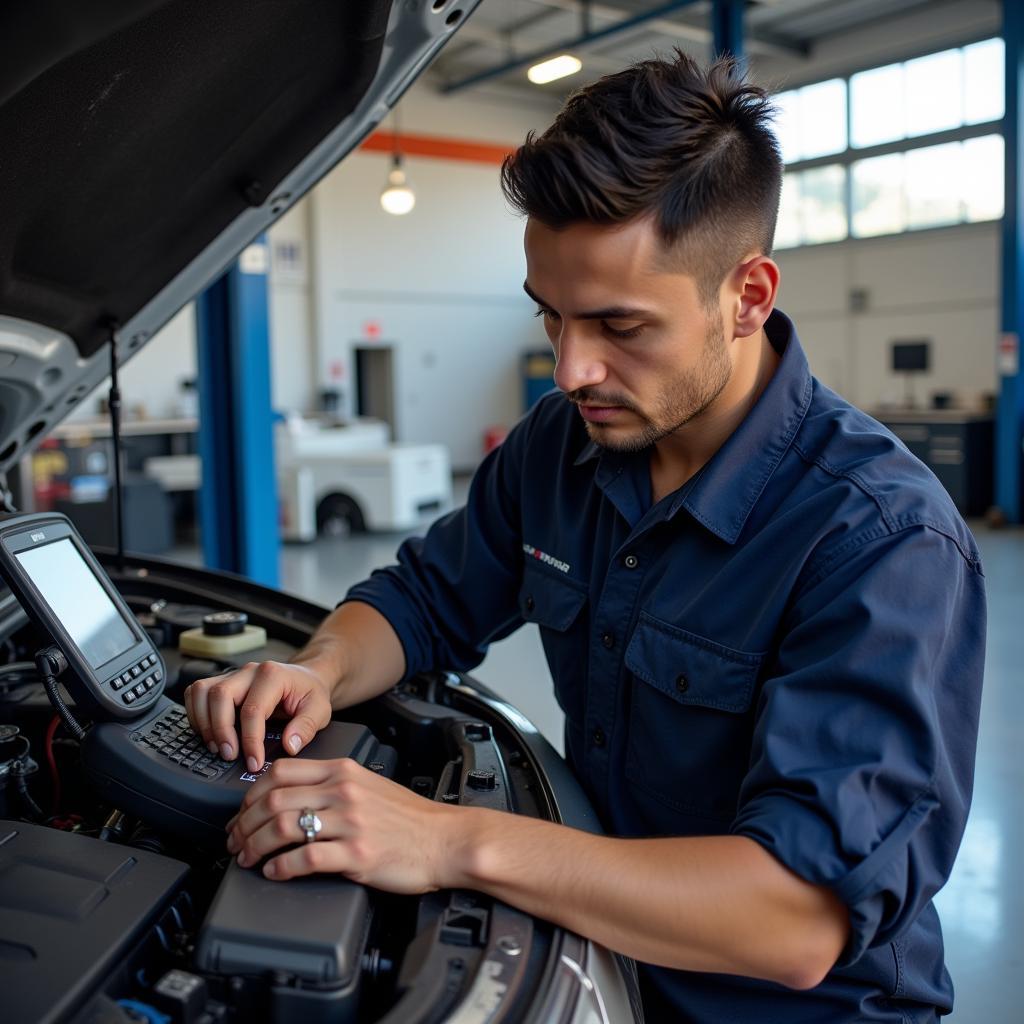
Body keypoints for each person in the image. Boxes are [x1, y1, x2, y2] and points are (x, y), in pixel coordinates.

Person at [185, 53, 985, 1022]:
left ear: (747, 296)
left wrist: (447, 839)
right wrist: (317, 669)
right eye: (550, 316)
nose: (569, 369)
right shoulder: (561, 449)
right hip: (608, 968)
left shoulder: (879, 539)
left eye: (617, 324)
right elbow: (424, 599)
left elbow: (793, 919)